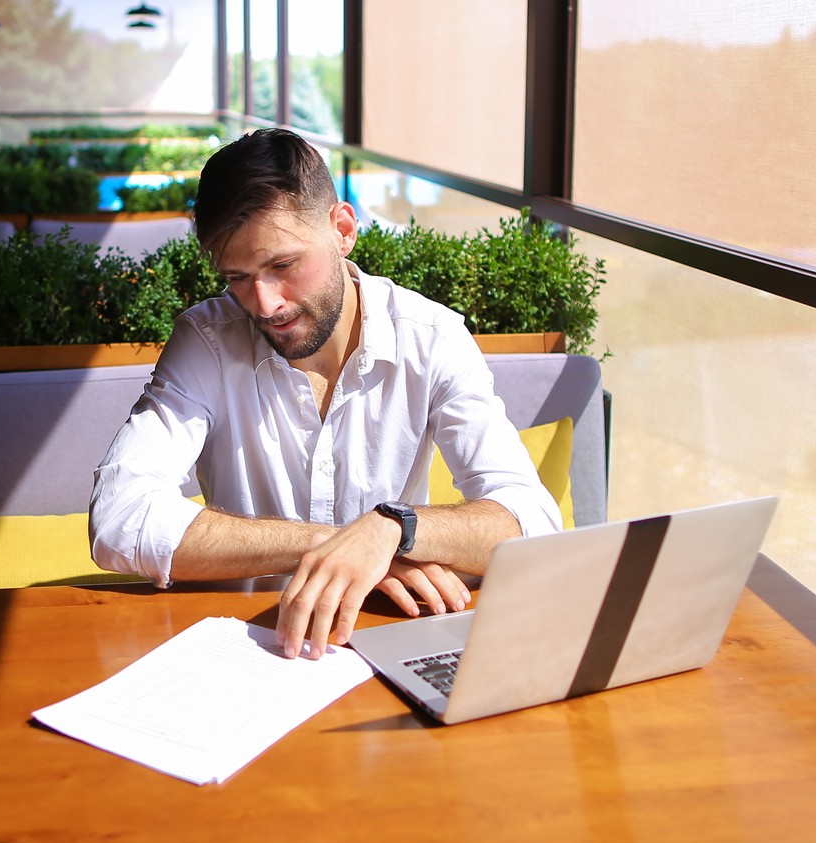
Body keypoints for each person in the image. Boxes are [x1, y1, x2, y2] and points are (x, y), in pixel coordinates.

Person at [91, 129, 562, 659]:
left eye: (283, 265)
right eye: (238, 277)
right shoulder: (207, 343)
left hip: (389, 638)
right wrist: (345, 545)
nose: (264, 304)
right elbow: (119, 515)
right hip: (249, 644)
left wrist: (392, 529)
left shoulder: (432, 337)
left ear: (342, 229)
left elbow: (531, 519)